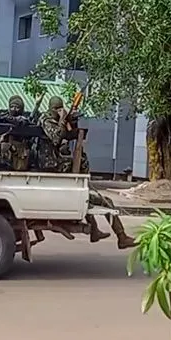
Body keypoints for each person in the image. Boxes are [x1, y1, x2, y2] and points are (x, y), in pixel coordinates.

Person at [38, 96, 135, 249]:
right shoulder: (46, 119)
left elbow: (66, 136)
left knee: (88, 199)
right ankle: (120, 237)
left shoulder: (52, 119)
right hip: (51, 164)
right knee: (82, 162)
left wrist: (71, 120)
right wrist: (63, 120)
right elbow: (57, 138)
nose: (59, 112)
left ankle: (100, 231)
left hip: (55, 162)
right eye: (58, 109)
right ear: (54, 109)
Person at [0, 95, 32, 171]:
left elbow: (21, 122)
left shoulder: (23, 119)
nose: (14, 109)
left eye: (17, 107)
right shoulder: (4, 117)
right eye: (12, 107)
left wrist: (9, 119)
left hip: (19, 153)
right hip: (6, 152)